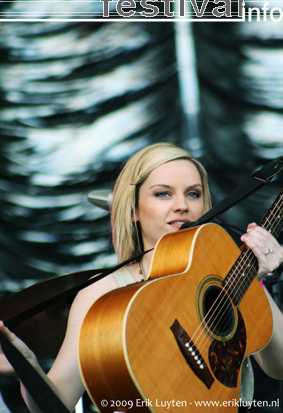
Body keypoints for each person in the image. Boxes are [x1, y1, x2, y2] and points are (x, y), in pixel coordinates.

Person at [0, 142, 282, 412]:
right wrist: (27, 366)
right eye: (163, 194)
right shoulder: (104, 292)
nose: (182, 205)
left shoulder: (227, 276)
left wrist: (257, 278)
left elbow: (279, 366)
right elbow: (57, 403)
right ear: (133, 209)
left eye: (193, 194)